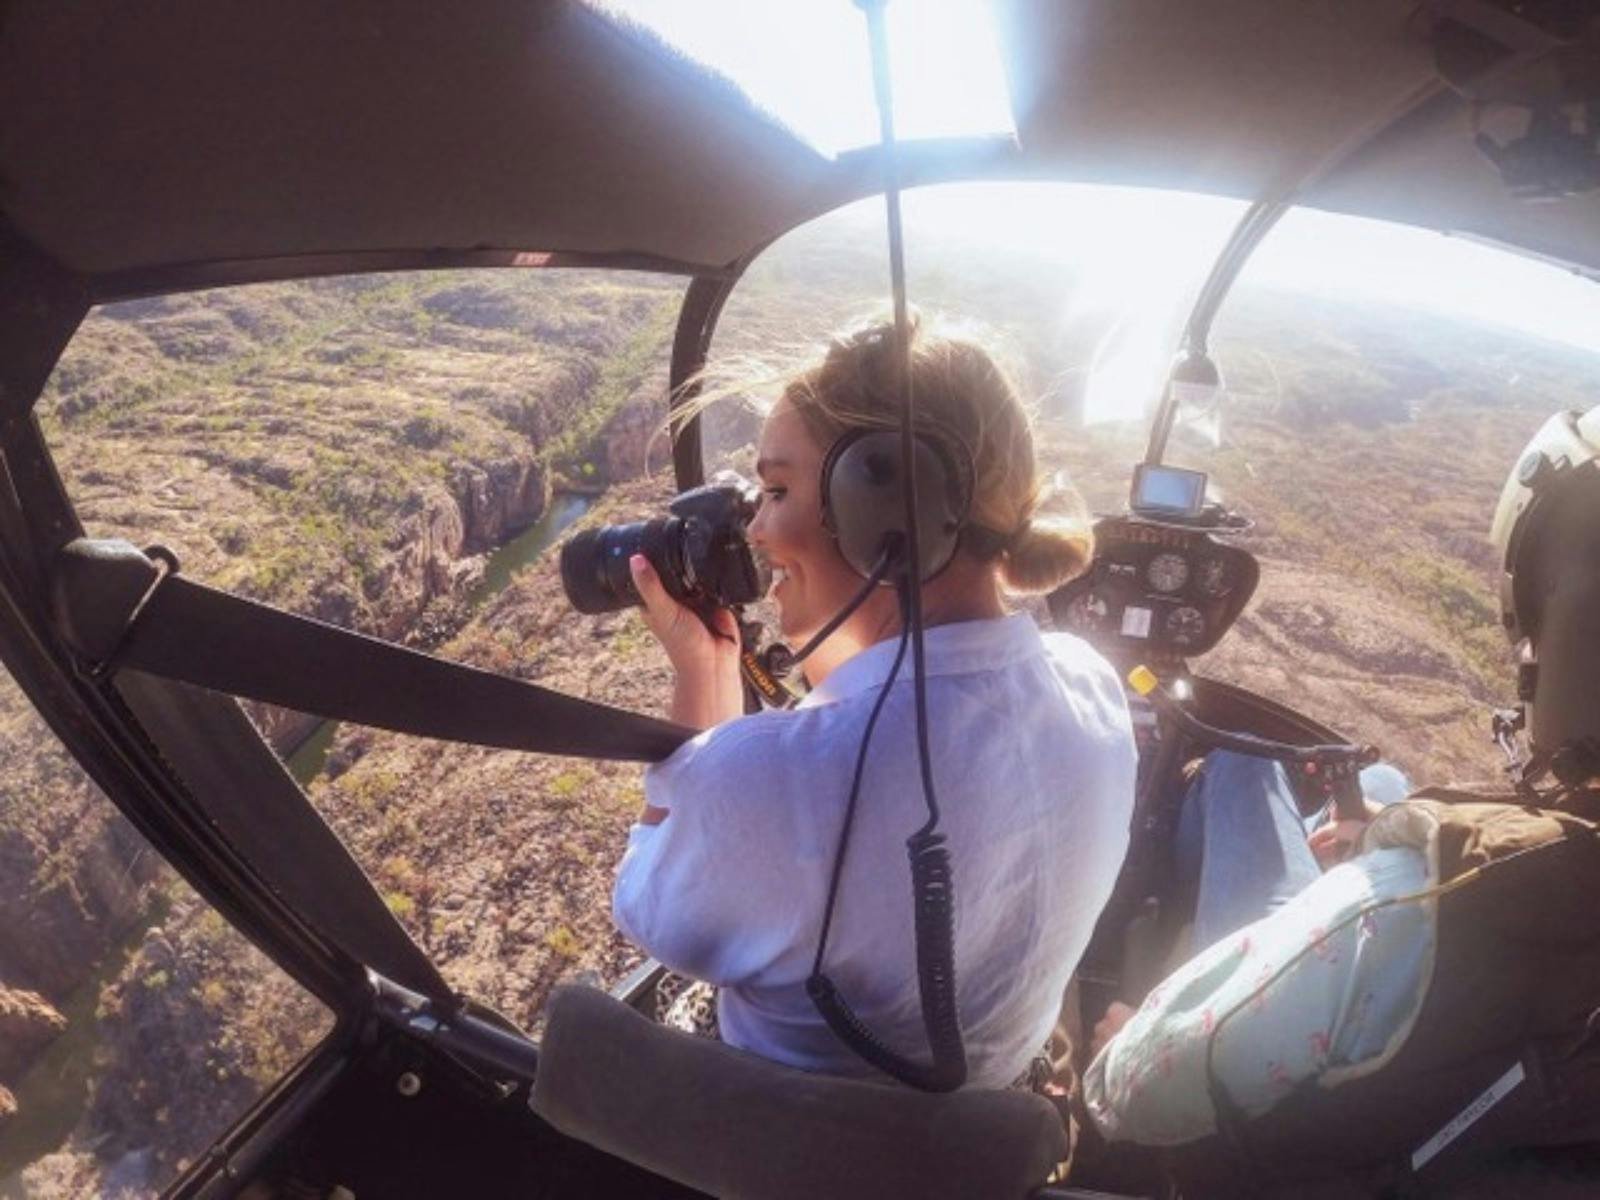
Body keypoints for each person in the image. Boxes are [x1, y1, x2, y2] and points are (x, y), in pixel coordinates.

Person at [611, 321, 1138, 1090]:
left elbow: (653, 913)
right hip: (981, 1143)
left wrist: (702, 671)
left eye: (779, 490)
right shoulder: (1093, 687)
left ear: (888, 514)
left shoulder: (777, 782)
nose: (755, 528)